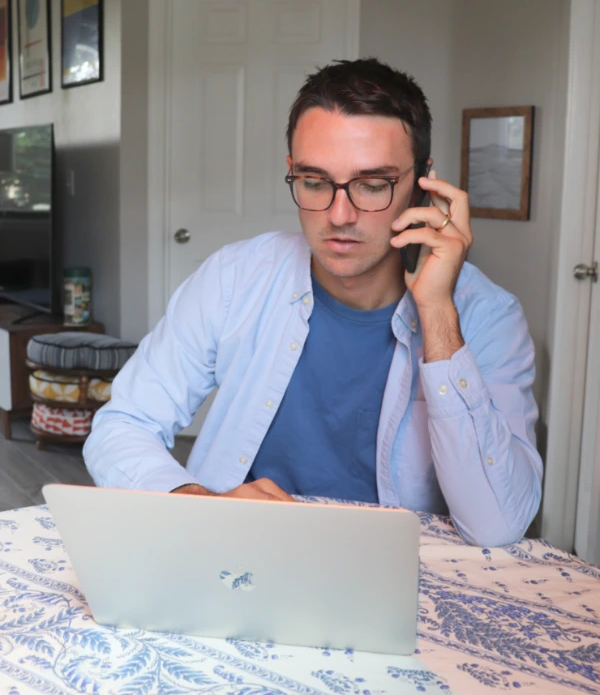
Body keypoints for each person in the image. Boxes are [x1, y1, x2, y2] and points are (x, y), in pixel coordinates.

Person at [84, 58, 542, 546]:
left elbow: (497, 525)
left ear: (425, 183)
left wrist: (437, 313)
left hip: (394, 574)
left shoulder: (487, 315)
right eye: (315, 182)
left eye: (372, 184)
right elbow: (124, 423)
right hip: (237, 551)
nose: (340, 215)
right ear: (293, 173)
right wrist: (199, 503)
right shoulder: (234, 278)